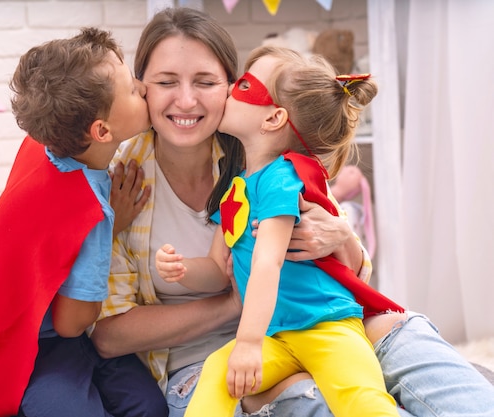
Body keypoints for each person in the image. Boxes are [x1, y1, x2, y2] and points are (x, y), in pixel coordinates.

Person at [91, 7, 494, 417]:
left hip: (318, 321)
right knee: (309, 398)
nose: (187, 99)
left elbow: (355, 272)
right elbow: (108, 336)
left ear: (230, 89)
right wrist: (234, 307)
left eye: (207, 82)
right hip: (222, 357)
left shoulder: (266, 156)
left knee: (408, 338)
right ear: (143, 89)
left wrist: (342, 236)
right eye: (166, 82)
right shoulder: (123, 183)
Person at [0, 28, 167, 417]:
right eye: (132, 90)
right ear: (101, 131)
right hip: (37, 346)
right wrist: (102, 231)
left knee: (150, 406)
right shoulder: (88, 211)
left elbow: (54, 245)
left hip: (61, 331)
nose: (143, 88)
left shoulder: (41, 145)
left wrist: (107, 226)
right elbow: (70, 323)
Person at [155, 45, 402, 417]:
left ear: (272, 119)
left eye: (244, 86)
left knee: (362, 400)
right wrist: (184, 271)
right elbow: (216, 266)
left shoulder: (282, 180)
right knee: (216, 375)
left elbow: (267, 262)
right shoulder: (237, 186)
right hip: (276, 337)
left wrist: (248, 341)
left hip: (326, 327)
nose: (229, 89)